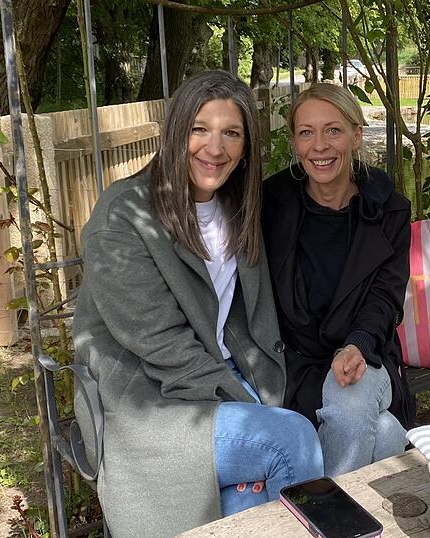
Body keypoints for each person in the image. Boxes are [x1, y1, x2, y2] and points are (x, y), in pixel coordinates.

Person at [72, 70, 323, 538]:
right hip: (149, 400)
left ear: (246, 147)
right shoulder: (123, 216)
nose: (215, 147)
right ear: (175, 132)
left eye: (232, 133)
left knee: (247, 497)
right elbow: (161, 344)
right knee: (291, 440)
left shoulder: (236, 207)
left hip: (220, 379)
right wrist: (252, 408)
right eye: (199, 129)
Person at [262, 83, 414, 478]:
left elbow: (386, 296)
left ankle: (322, 510)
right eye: (306, 132)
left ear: (356, 135)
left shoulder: (389, 209)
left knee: (349, 401)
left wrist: (357, 344)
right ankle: (371, 476)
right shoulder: (270, 204)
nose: (319, 146)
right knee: (384, 432)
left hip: (366, 353)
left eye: (333, 130)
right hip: (296, 363)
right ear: (294, 142)